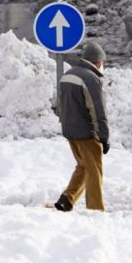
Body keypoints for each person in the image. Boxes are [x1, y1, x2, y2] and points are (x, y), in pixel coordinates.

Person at [53, 42, 110, 212]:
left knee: (83, 166)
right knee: (94, 171)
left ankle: (67, 199)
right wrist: (104, 136)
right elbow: (97, 110)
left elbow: (60, 105)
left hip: (70, 130)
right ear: (98, 62)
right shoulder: (90, 78)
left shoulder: (67, 75)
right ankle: (95, 209)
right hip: (87, 132)